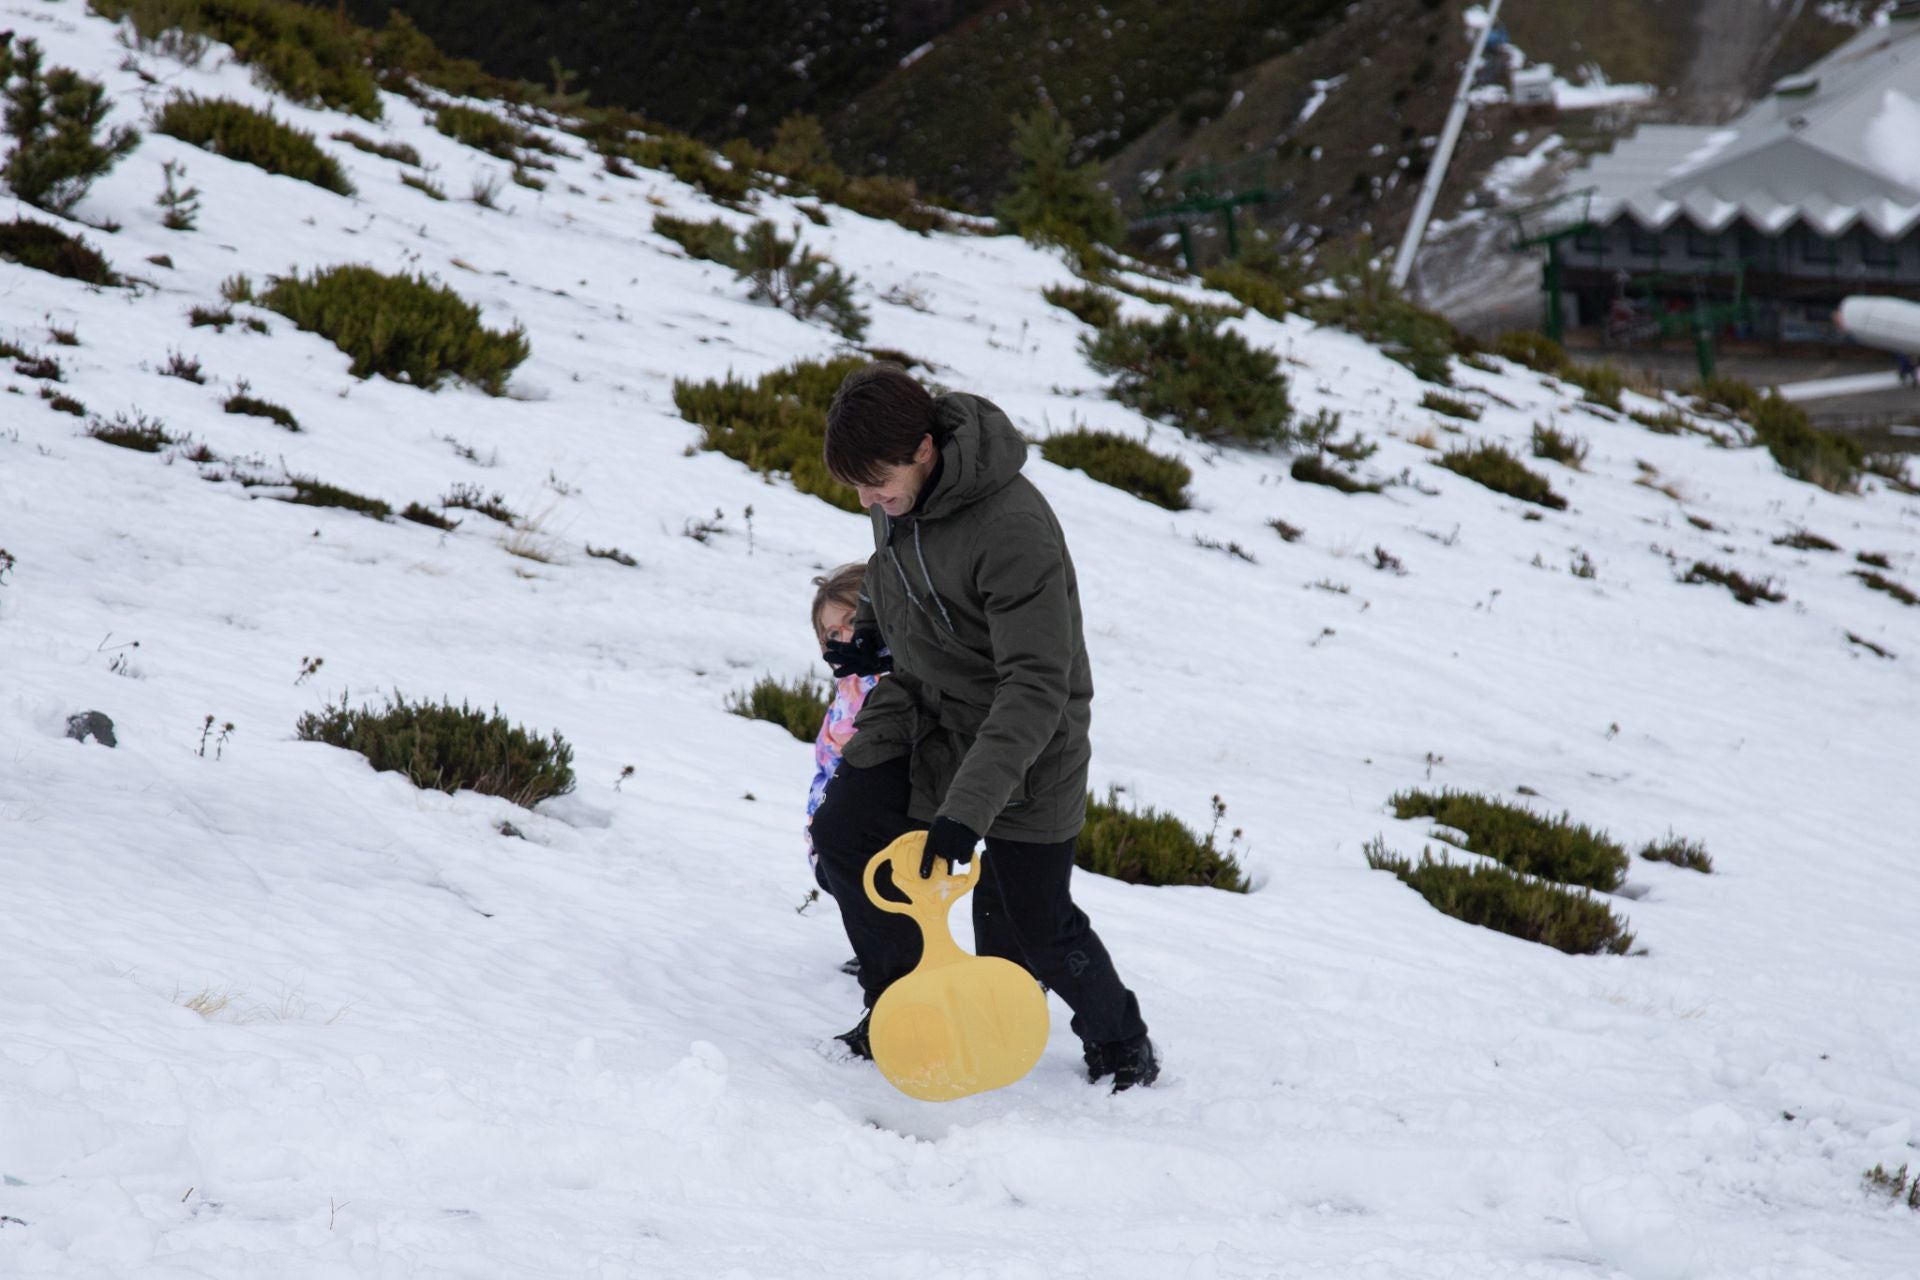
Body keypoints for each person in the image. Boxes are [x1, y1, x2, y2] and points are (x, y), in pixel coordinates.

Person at [807, 362, 1158, 1091]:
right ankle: (900, 1008)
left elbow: (1036, 685)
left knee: (1029, 925)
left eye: (878, 483)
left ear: (926, 449)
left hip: (1028, 735)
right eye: (860, 489)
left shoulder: (1013, 527)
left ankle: (1121, 1040)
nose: (870, 501)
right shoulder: (896, 496)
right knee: (846, 833)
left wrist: (965, 814)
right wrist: (872, 632)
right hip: (925, 710)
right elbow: (894, 564)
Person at [805, 564, 879, 979]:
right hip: (833, 807)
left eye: (851, 621)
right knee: (840, 881)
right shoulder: (850, 683)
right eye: (831, 633)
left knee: (876, 885)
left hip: (873, 812)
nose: (843, 637)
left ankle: (894, 957)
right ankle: (873, 948)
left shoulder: (891, 678)